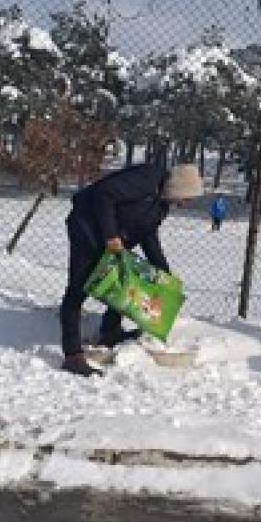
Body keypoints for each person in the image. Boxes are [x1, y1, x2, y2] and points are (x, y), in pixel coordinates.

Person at [60, 161, 204, 376]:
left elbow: (148, 234)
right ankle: (72, 355)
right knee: (78, 289)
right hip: (86, 228)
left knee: (127, 282)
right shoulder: (146, 180)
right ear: (178, 188)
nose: (187, 203)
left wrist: (163, 270)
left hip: (114, 237)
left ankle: (110, 332)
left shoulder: (161, 204)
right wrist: (111, 236)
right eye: (187, 197)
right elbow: (103, 194)